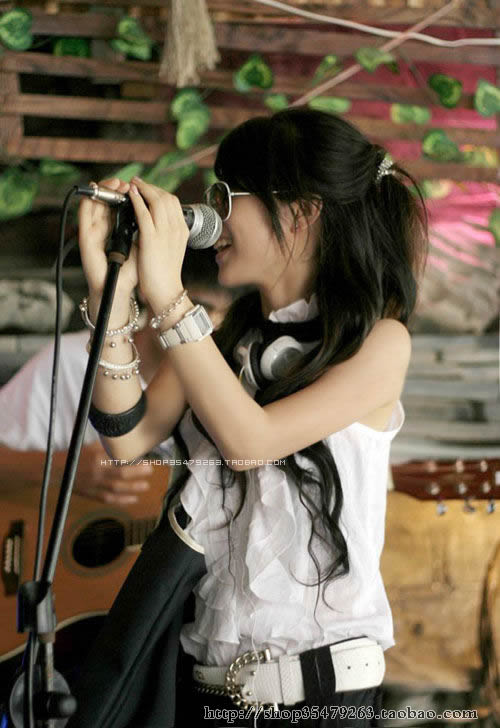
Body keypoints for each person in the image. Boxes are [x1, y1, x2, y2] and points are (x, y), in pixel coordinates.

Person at [71, 107, 428, 727]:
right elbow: (127, 438)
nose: (212, 217)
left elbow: (250, 441)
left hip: (317, 699)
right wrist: (111, 297)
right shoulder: (221, 340)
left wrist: (169, 295)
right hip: (207, 693)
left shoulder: (379, 343)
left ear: (300, 212)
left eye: (225, 197)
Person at [0, 250, 234, 504]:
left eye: (227, 318)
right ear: (148, 288)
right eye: (197, 310)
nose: (210, 328)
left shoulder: (230, 385)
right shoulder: (71, 359)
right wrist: (64, 468)